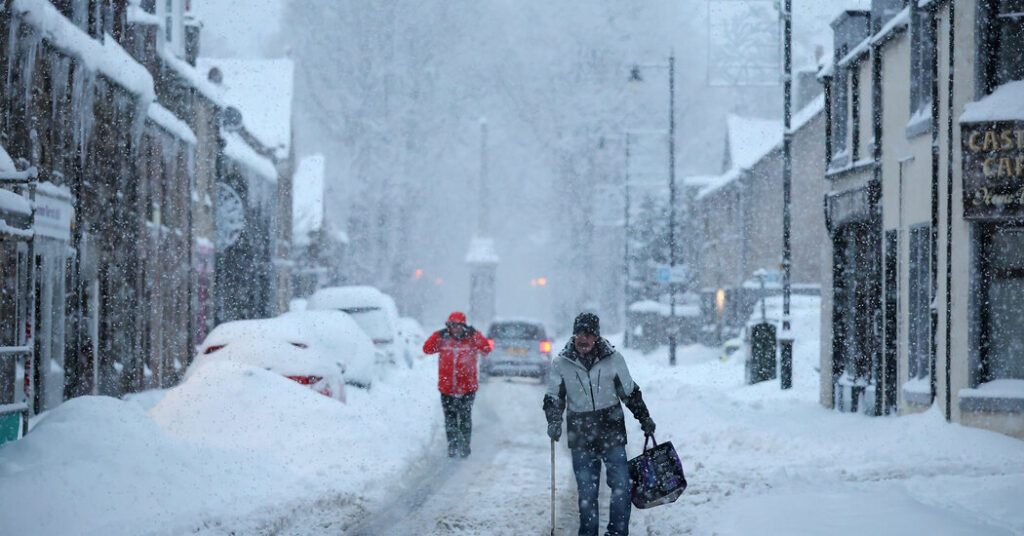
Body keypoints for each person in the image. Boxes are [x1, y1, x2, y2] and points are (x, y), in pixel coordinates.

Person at [543, 312, 656, 536]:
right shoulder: (561, 363)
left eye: (588, 334)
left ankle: (617, 532)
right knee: (587, 492)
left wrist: (644, 418)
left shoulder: (614, 360)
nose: (583, 339)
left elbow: (630, 393)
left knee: (622, 487)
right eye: (579, 334)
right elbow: (553, 398)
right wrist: (554, 420)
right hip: (580, 434)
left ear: (596, 336)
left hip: (611, 431)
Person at [422, 311, 493, 458]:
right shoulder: (443, 340)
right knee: (450, 420)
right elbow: (427, 349)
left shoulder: (472, 339)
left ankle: (465, 446)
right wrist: (437, 335)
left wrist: (476, 335)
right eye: (451, 325)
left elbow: (486, 349)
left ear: (463, 326)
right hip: (447, 388)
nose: (454, 329)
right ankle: (452, 447)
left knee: (465, 418)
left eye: (457, 326)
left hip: (467, 388)